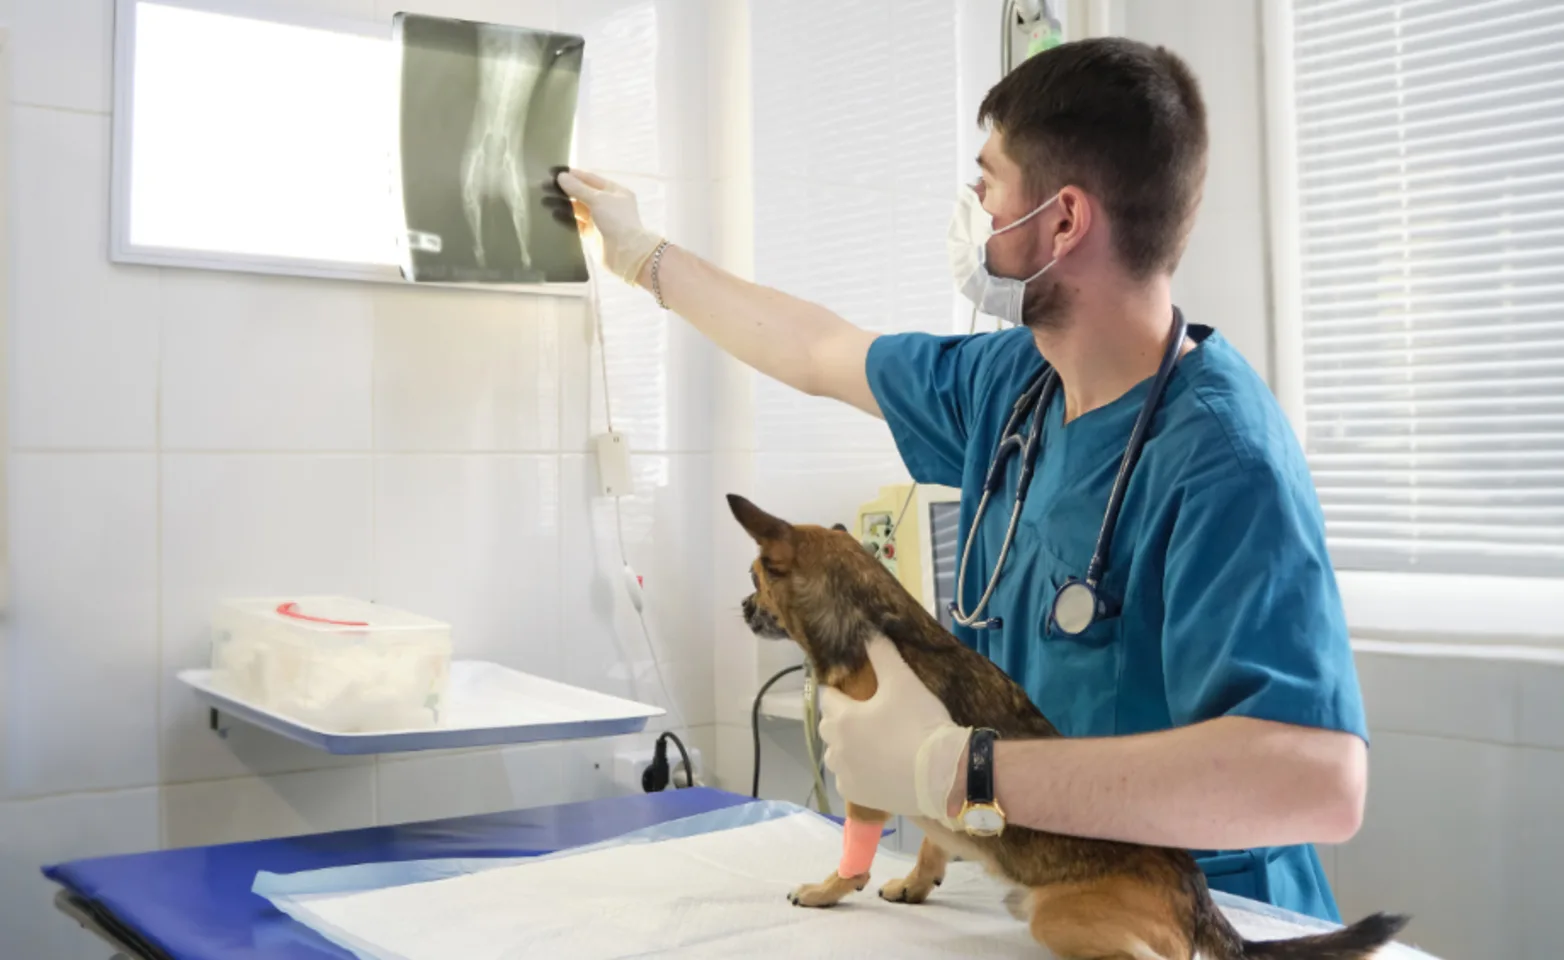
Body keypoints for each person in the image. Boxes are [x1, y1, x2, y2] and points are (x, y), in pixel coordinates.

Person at [557, 36, 1369, 923]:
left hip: (1213, 921)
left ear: (1062, 222)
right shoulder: (1011, 385)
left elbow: (1317, 784)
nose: (973, 203)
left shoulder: (1222, 459)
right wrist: (643, 258)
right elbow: (821, 351)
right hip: (1048, 901)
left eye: (988, 179)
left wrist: (967, 770)